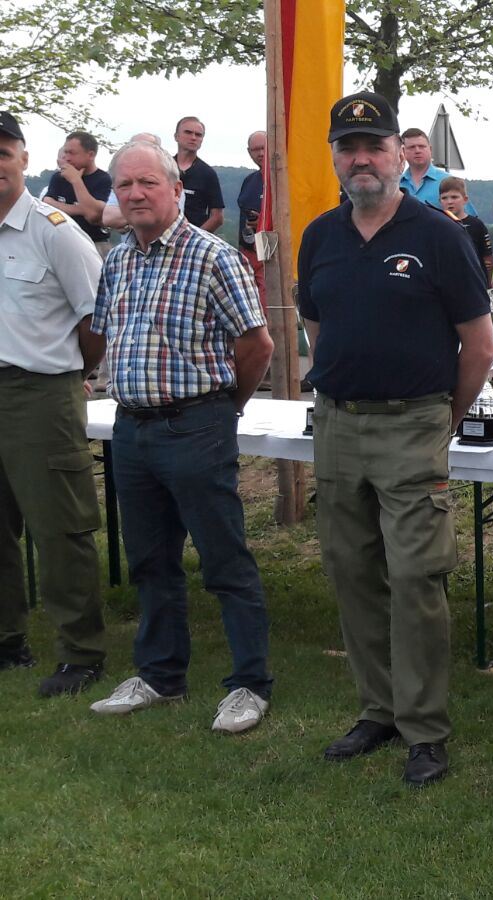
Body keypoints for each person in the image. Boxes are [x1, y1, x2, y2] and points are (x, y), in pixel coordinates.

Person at [299, 91, 493, 786]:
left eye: (374, 147)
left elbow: (481, 346)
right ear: (335, 157)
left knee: (415, 578)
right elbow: (317, 328)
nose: (362, 159)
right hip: (338, 424)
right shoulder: (320, 236)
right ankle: (378, 709)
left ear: (397, 155)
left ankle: (424, 728)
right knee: (351, 571)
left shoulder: (438, 235)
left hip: (414, 423)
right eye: (348, 148)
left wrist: (442, 417)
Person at [86, 140, 275, 733]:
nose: (135, 194)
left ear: (176, 190)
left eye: (147, 183)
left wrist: (223, 410)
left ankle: (249, 684)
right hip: (131, 430)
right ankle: (160, 676)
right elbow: (106, 334)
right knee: (150, 561)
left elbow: (257, 346)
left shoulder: (214, 257)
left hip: (196, 425)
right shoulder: (118, 259)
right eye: (124, 185)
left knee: (224, 560)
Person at [0, 111, 108, 698]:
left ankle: (80, 653)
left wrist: (73, 375)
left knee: (59, 527)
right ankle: (6, 640)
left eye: (3, 151)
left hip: (39, 394)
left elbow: (97, 319)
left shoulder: (55, 230)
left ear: (24, 157)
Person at [42, 131, 112, 255]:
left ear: (90, 155)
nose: (67, 158)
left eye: (72, 153)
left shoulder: (103, 179)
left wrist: (76, 181)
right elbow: (47, 205)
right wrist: (81, 209)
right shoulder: (59, 177)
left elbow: (93, 215)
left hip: (95, 243)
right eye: (66, 152)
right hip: (61, 241)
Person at [397, 128, 477, 216]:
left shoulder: (448, 181)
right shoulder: (395, 184)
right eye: (412, 147)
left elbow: (468, 219)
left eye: (422, 146)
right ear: (402, 151)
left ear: (430, 149)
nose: (417, 151)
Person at [171, 117, 224, 233]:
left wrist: (194, 237)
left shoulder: (207, 174)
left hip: (192, 238)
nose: (193, 137)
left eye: (198, 135)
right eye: (188, 132)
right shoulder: (164, 168)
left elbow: (217, 217)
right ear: (176, 136)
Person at [438, 175, 492, 281]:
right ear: (440, 201)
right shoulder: (437, 224)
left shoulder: (477, 225)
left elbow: (487, 258)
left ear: (465, 199)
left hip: (473, 279)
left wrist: (488, 283)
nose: (449, 202)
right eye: (444, 198)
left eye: (454, 197)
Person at [238, 130, 267, 292]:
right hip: (247, 252)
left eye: (264, 148)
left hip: (269, 253)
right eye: (256, 149)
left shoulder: (284, 179)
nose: (260, 153)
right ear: (249, 152)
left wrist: (263, 221)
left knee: (266, 302)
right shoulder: (249, 181)